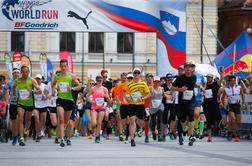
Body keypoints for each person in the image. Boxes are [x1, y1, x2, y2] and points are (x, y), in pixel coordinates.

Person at [51, 59, 80, 147]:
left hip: (69, 101)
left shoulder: (71, 76)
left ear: (67, 66)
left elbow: (79, 86)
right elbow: (53, 84)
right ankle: (62, 139)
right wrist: (53, 90)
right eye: (62, 66)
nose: (63, 68)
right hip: (60, 100)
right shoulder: (57, 76)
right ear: (60, 67)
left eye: (65, 66)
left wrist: (71, 89)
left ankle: (62, 136)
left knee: (66, 122)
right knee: (61, 119)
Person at [124, 67, 150, 147]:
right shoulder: (129, 83)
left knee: (141, 123)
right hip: (132, 105)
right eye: (135, 73)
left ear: (140, 74)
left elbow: (148, 94)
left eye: (138, 73)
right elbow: (124, 91)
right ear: (133, 74)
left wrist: (142, 98)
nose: (136, 74)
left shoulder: (143, 83)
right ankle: (132, 139)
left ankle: (139, 128)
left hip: (140, 105)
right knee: (132, 121)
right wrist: (126, 97)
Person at [172, 62, 197, 146]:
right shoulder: (180, 78)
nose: (188, 69)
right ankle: (180, 134)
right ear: (184, 69)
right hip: (181, 102)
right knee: (182, 120)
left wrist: (200, 87)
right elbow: (172, 87)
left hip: (191, 100)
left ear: (191, 69)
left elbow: (193, 86)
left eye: (189, 67)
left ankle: (191, 136)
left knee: (191, 116)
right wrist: (180, 89)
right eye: (186, 67)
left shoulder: (194, 77)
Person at [16, 65, 41, 146]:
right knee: (20, 119)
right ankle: (21, 138)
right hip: (21, 103)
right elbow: (13, 87)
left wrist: (32, 91)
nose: (25, 73)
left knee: (28, 121)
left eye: (26, 72)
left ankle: (26, 130)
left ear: (28, 72)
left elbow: (39, 91)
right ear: (21, 72)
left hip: (30, 103)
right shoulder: (17, 81)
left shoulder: (32, 80)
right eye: (23, 72)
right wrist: (14, 95)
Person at [222, 75, 245, 142]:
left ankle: (229, 132)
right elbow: (223, 97)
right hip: (230, 105)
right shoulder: (226, 89)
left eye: (234, 80)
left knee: (238, 121)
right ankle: (236, 135)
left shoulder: (239, 87)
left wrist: (243, 103)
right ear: (229, 81)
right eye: (231, 81)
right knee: (233, 119)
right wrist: (223, 104)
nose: (233, 82)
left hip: (237, 105)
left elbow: (242, 95)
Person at [88, 75, 110, 143]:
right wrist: (92, 101)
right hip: (94, 107)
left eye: (100, 80)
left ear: (102, 81)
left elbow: (109, 99)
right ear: (96, 81)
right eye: (98, 80)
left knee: (99, 123)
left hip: (101, 107)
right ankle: (93, 131)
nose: (99, 82)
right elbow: (88, 97)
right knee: (94, 123)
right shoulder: (93, 88)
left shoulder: (104, 89)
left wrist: (107, 97)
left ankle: (97, 137)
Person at [202, 74, 222, 142]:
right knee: (208, 120)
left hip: (214, 105)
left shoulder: (215, 84)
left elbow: (220, 81)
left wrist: (221, 74)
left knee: (213, 119)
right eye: (207, 77)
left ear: (212, 78)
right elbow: (201, 91)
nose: (207, 79)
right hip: (206, 104)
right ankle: (209, 136)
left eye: (209, 77)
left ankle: (212, 125)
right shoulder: (204, 85)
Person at [3, 68, 20, 145]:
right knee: (14, 122)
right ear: (12, 74)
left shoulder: (21, 81)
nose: (16, 74)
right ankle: (14, 137)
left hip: (21, 103)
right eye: (15, 72)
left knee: (20, 120)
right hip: (13, 103)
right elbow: (4, 89)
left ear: (19, 74)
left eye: (17, 72)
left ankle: (20, 136)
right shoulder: (10, 82)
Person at [190, 61, 206, 139]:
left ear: (195, 67)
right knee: (191, 116)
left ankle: (198, 129)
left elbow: (204, 84)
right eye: (190, 66)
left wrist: (203, 90)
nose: (191, 68)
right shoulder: (187, 75)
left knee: (197, 114)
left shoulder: (200, 75)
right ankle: (195, 129)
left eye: (193, 66)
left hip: (198, 98)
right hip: (189, 98)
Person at [33, 74, 49, 142]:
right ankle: (37, 134)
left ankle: (41, 131)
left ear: (41, 79)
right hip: (35, 105)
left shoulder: (44, 86)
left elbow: (47, 95)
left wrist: (45, 97)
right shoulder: (33, 86)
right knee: (36, 119)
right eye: (36, 79)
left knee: (43, 121)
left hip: (43, 105)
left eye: (39, 79)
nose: (38, 80)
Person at [162, 73, 176, 141]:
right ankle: (164, 134)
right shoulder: (163, 86)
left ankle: (170, 132)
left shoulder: (174, 85)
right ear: (166, 79)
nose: (170, 80)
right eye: (168, 79)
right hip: (165, 104)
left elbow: (175, 93)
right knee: (164, 119)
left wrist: (171, 94)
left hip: (172, 104)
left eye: (171, 79)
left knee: (173, 117)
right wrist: (165, 94)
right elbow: (163, 94)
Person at [149, 76, 163, 142]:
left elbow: (164, 95)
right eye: (155, 82)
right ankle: (153, 132)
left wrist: (168, 95)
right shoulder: (150, 88)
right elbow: (147, 95)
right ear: (153, 82)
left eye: (158, 82)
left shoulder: (161, 88)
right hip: (152, 106)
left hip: (160, 106)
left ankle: (160, 134)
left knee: (160, 120)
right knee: (153, 121)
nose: (156, 83)